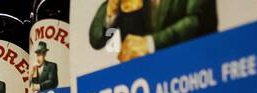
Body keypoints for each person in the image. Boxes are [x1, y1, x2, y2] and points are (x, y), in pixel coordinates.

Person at [87, 0, 218, 62]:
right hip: (143, 80)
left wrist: (150, 43)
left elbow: (198, 21)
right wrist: (112, 18)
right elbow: (99, 39)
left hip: (190, 67)